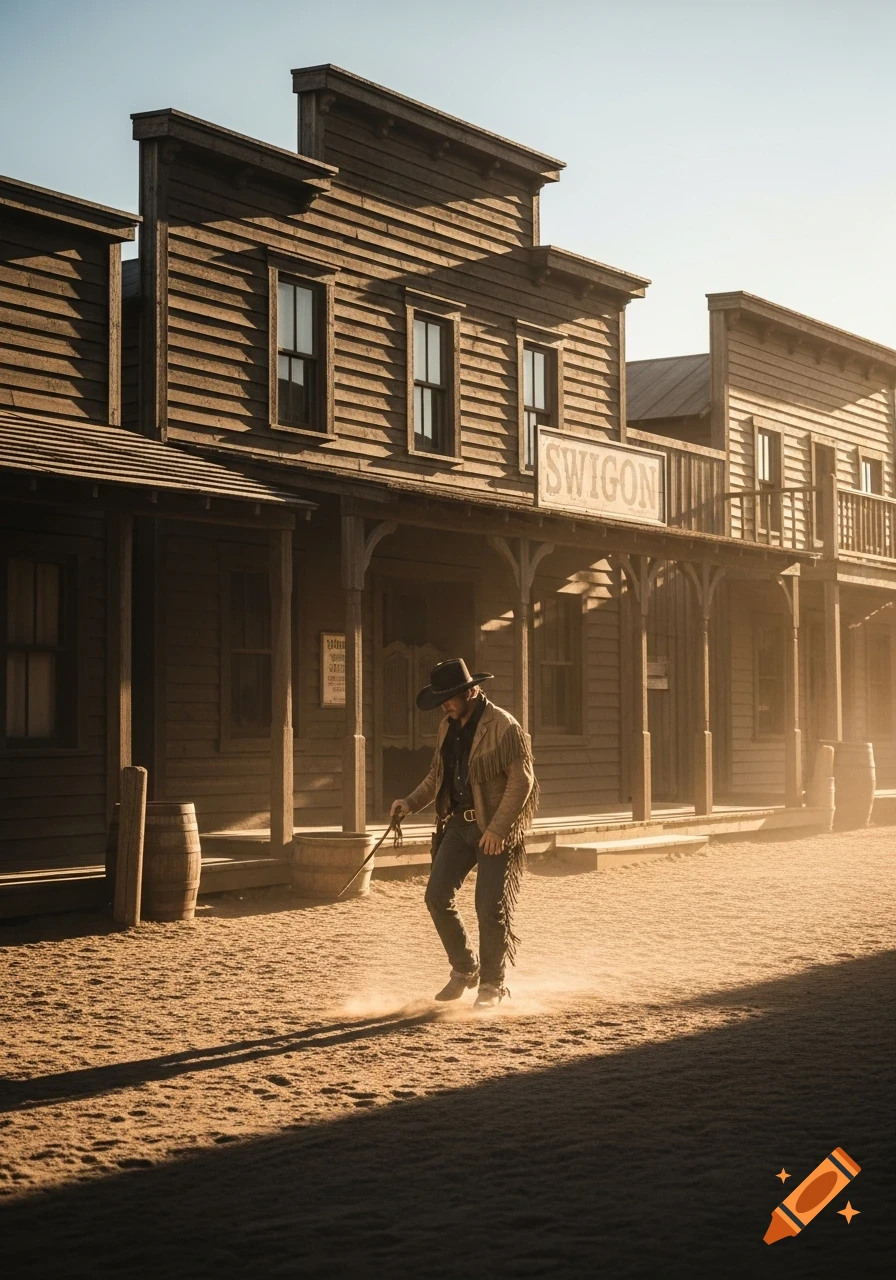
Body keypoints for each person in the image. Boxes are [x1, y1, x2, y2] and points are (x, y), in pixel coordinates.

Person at [391, 658, 538, 1008]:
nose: (446, 704)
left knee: (488, 906)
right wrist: (409, 803)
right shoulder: (447, 726)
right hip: (458, 825)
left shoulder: (504, 725)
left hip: (494, 828)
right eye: (442, 698)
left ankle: (492, 985)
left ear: (471, 691)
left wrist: (499, 829)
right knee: (436, 896)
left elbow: (522, 781)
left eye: (452, 696)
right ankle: (465, 968)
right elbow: (436, 777)